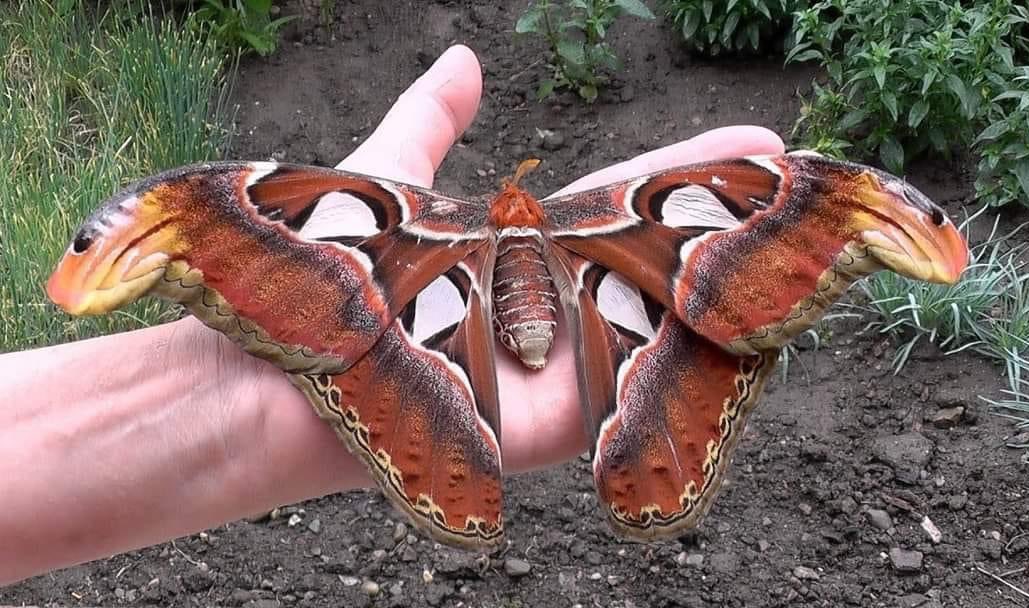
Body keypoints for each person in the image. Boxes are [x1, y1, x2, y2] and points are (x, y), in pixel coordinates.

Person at [0, 45, 784, 585]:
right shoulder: (595, 213)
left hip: (440, 289)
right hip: (519, 294)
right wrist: (175, 227)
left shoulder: (416, 220)